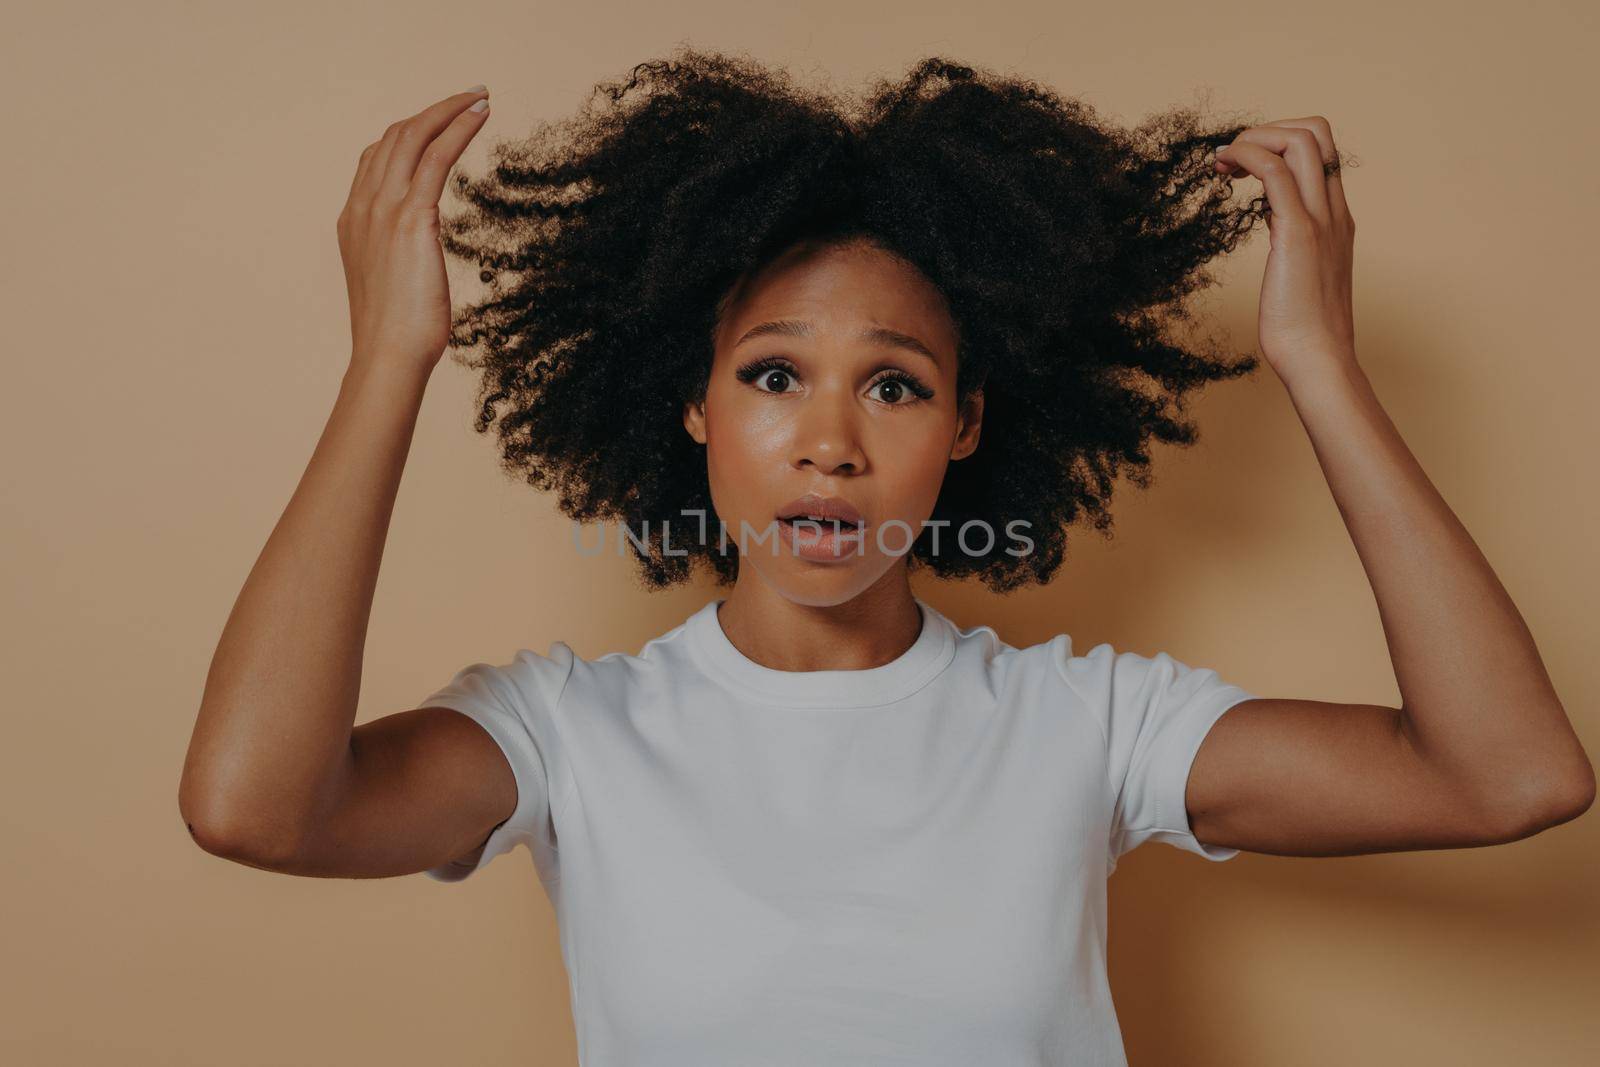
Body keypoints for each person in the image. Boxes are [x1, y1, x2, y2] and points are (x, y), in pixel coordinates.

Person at [179, 48, 1594, 1066]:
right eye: (774, 375)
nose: (831, 442)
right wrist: (390, 363)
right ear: (696, 407)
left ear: (969, 423)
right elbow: (255, 809)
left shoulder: (1087, 726)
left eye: (899, 385)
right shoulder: (569, 736)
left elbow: (1508, 775)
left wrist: (1317, 364)